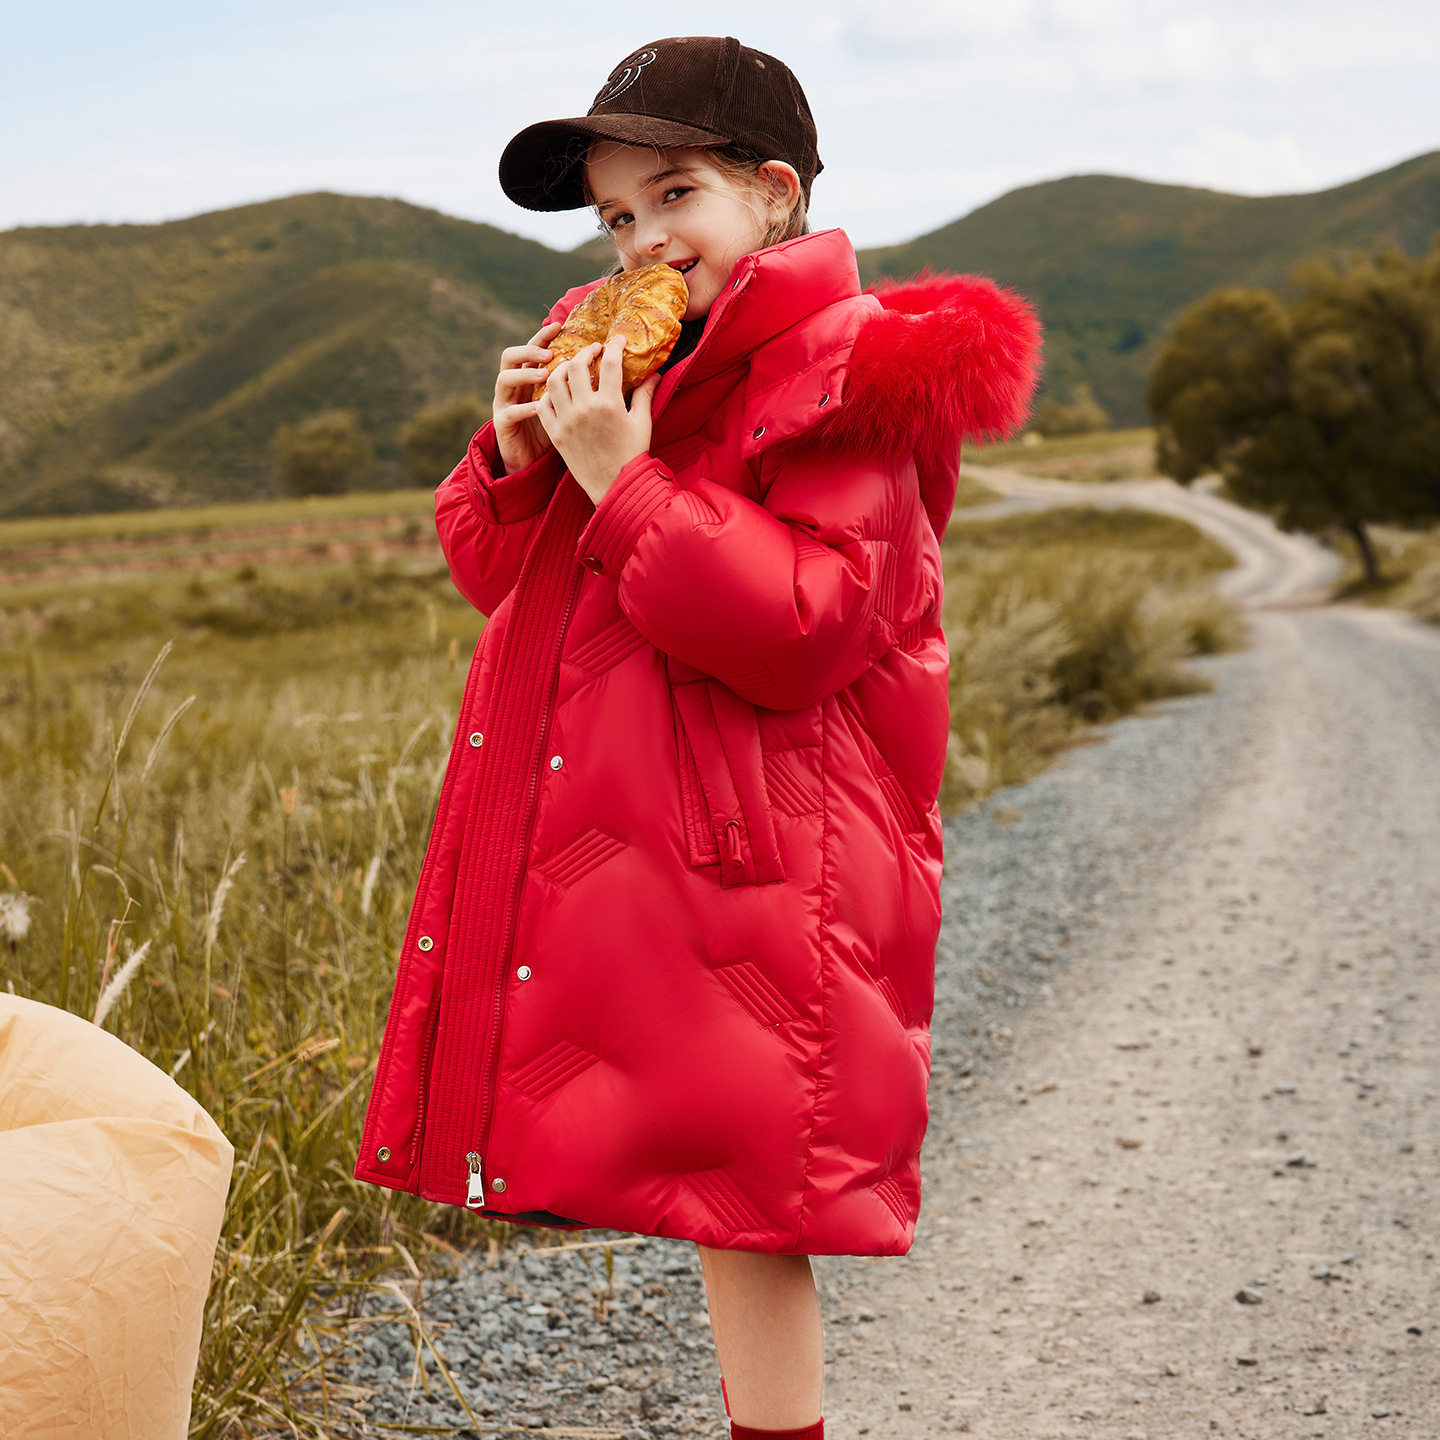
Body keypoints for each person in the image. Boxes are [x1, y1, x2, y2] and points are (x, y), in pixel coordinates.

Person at [355, 35, 1040, 1439]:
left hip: (776, 844)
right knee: (703, 1175)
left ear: (773, 194)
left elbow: (805, 626)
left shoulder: (856, 375)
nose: (643, 240)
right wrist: (515, 463)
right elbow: (511, 589)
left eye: (676, 196)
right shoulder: (610, 355)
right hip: (642, 824)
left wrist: (623, 478)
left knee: (753, 1197)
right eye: (614, 216)